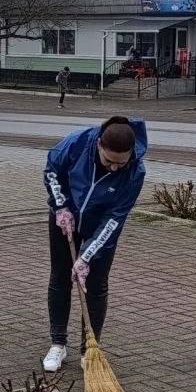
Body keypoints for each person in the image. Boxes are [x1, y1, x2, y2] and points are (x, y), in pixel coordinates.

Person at [41, 116, 147, 372]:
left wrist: (86, 257)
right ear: (99, 144)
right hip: (66, 217)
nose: (114, 168)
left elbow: (114, 219)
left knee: (96, 284)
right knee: (60, 277)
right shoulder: (76, 143)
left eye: (121, 163)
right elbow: (53, 171)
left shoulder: (135, 172)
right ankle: (58, 343)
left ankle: (89, 349)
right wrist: (60, 206)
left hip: (101, 226)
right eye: (109, 161)